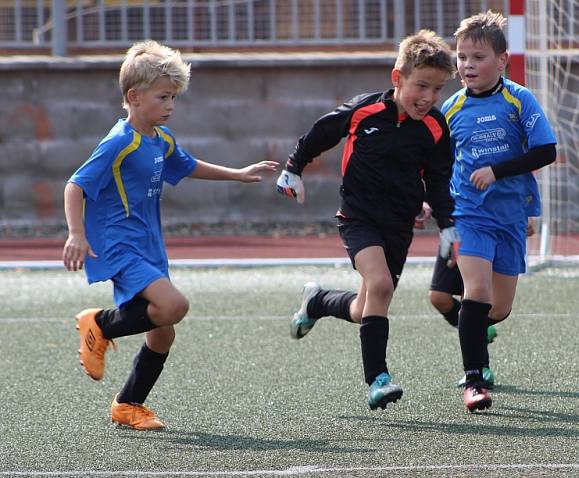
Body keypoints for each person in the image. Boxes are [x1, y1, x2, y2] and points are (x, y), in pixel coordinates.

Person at [62, 40, 277, 430]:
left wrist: (237, 173)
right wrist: (76, 234)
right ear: (134, 96)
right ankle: (100, 323)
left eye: (174, 97)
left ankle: (127, 405)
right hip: (120, 244)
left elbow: (189, 165)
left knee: (163, 333)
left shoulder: (161, 139)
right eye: (163, 97)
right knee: (174, 306)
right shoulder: (119, 141)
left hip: (149, 246)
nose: (170, 105)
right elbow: (75, 184)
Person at [275, 30, 457, 411]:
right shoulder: (364, 110)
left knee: (365, 306)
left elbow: (438, 182)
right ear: (398, 78)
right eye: (421, 85)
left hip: (399, 224)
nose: (428, 97)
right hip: (358, 217)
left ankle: (319, 302)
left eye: (437, 89)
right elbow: (320, 134)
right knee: (381, 286)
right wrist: (293, 168)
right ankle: (378, 378)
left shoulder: (437, 128)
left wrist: (448, 224)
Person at [443, 11, 557, 412]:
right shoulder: (451, 108)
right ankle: (474, 380)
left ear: (502, 60)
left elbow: (546, 151)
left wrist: (498, 171)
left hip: (511, 214)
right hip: (469, 212)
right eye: (462, 57)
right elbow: (439, 163)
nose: (468, 65)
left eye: (477, 57)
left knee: (499, 308)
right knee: (475, 291)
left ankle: (472, 332)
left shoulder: (518, 99)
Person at [423, 201, 538, 389]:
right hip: (460, 221)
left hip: (492, 220)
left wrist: (526, 209)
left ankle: (480, 368)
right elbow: (435, 173)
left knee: (479, 300)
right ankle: (479, 334)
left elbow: (521, 173)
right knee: (439, 297)